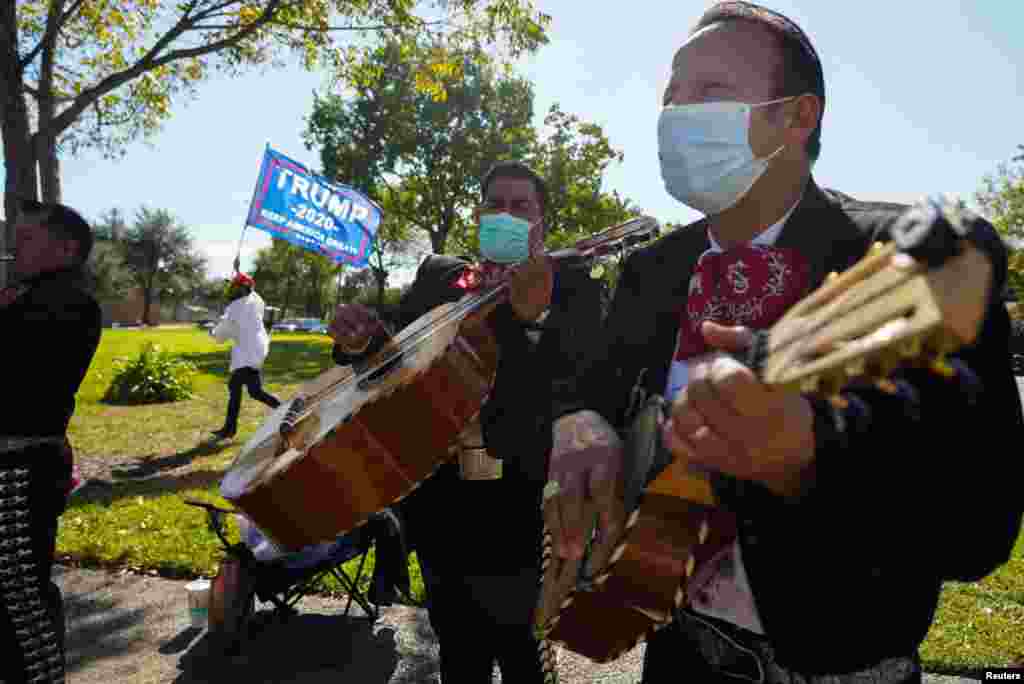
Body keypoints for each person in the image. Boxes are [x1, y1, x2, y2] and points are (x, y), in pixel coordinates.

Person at [545, 3, 1024, 683]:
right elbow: (591, 379)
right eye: (670, 97)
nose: (676, 115)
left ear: (799, 117)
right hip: (678, 658)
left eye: (708, 92)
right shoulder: (650, 272)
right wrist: (579, 421)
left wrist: (811, 456)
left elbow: (979, 529)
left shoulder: (912, 262)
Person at [328, 160, 605, 683]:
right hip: (442, 514)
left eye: (520, 206)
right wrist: (363, 342)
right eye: (494, 204)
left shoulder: (575, 288)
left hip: (526, 518)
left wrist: (533, 321)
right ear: (477, 215)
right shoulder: (438, 277)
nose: (506, 213)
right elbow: (396, 367)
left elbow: (581, 387)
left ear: (542, 222)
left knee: (526, 659)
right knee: (459, 658)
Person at [1, 199, 103, 683]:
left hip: (18, 470)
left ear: (65, 249)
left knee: (20, 599)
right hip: (17, 465)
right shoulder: (29, 296)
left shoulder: (68, 301)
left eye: (25, 239)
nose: (12, 246)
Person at [210, 272, 280, 440]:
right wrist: (238, 273)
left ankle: (229, 429)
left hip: (248, 354)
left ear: (241, 289)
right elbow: (251, 291)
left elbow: (221, 335)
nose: (232, 290)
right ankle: (230, 428)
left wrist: (212, 332)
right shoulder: (256, 301)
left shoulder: (234, 308)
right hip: (256, 349)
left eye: (234, 287)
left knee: (237, 385)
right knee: (254, 391)